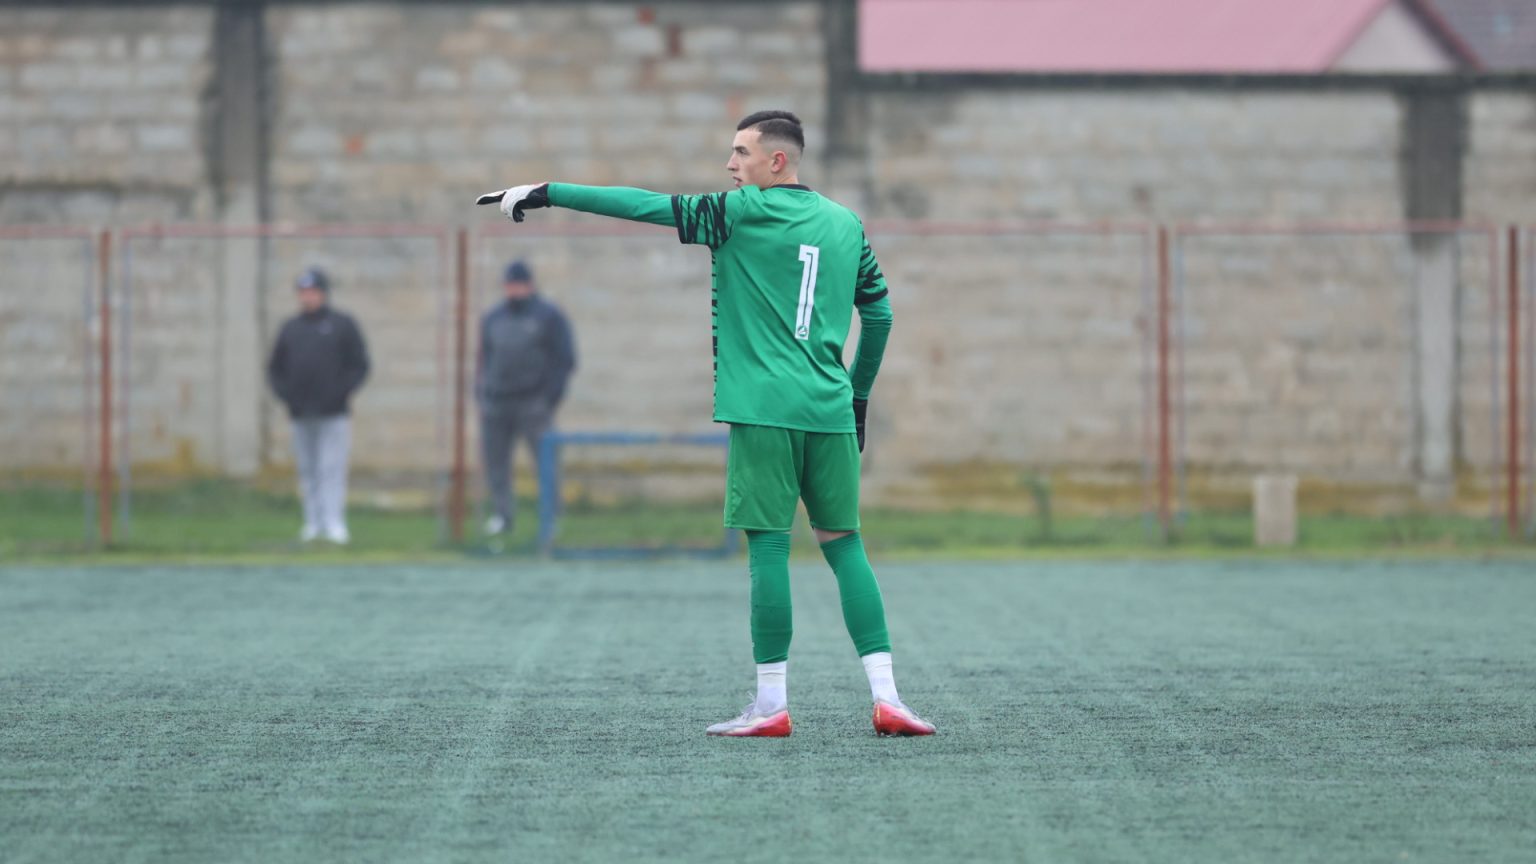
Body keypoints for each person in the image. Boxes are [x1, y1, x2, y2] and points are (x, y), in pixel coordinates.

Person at [477, 110, 933, 737]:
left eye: (741, 152)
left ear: (777, 161)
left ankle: (771, 706)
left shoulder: (737, 213)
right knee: (845, 545)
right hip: (830, 410)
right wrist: (856, 398)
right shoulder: (847, 224)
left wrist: (547, 191)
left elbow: (643, 205)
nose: (730, 164)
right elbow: (879, 317)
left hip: (763, 410)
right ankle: (889, 698)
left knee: (769, 547)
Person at [265, 267, 370, 545]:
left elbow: (359, 365)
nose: (308, 297)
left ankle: (334, 523)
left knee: (331, 468)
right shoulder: (291, 328)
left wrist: (340, 393)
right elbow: (275, 369)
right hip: (300, 414)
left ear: (323, 294)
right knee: (308, 469)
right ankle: (313, 522)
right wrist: (288, 396)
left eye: (312, 292)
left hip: (334, 413)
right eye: (303, 293)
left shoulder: (342, 324)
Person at [476, 259, 576, 537]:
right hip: (497, 402)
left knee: (546, 463)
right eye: (509, 285)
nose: (514, 290)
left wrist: (549, 399)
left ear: (529, 285)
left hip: (533, 403)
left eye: (518, 284)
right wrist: (482, 395)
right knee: (496, 464)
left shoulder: (548, 316)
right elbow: (484, 360)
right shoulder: (493, 318)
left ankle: (550, 519)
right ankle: (502, 517)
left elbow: (564, 359)